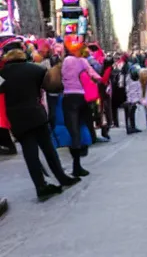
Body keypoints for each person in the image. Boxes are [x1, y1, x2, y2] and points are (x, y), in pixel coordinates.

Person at [0, 39, 81, 201]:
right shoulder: (36, 70)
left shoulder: (2, 75)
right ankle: (62, 177)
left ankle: (40, 186)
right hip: (37, 115)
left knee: (30, 154)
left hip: (17, 119)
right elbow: (53, 87)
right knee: (48, 149)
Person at [61, 36, 102, 177]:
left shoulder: (65, 61)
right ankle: (78, 162)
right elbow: (94, 74)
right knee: (82, 126)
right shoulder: (83, 61)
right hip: (81, 97)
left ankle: (75, 165)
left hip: (68, 97)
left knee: (73, 131)